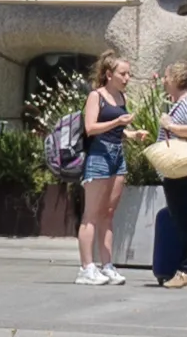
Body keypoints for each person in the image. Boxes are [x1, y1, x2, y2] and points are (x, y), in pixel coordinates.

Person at [146, 65, 187, 288]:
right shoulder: (180, 103)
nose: (163, 80)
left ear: (175, 79)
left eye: (166, 76)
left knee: (182, 220)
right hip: (177, 171)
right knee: (179, 218)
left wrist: (169, 125)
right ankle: (185, 269)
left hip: (183, 171)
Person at [73, 54, 132, 286]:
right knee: (91, 214)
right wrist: (118, 123)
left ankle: (107, 265)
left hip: (117, 154)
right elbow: (90, 127)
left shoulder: (120, 96)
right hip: (99, 155)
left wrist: (129, 133)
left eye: (129, 74)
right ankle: (87, 267)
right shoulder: (96, 96)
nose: (127, 78)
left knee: (108, 212)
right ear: (109, 74)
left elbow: (117, 127)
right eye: (123, 74)